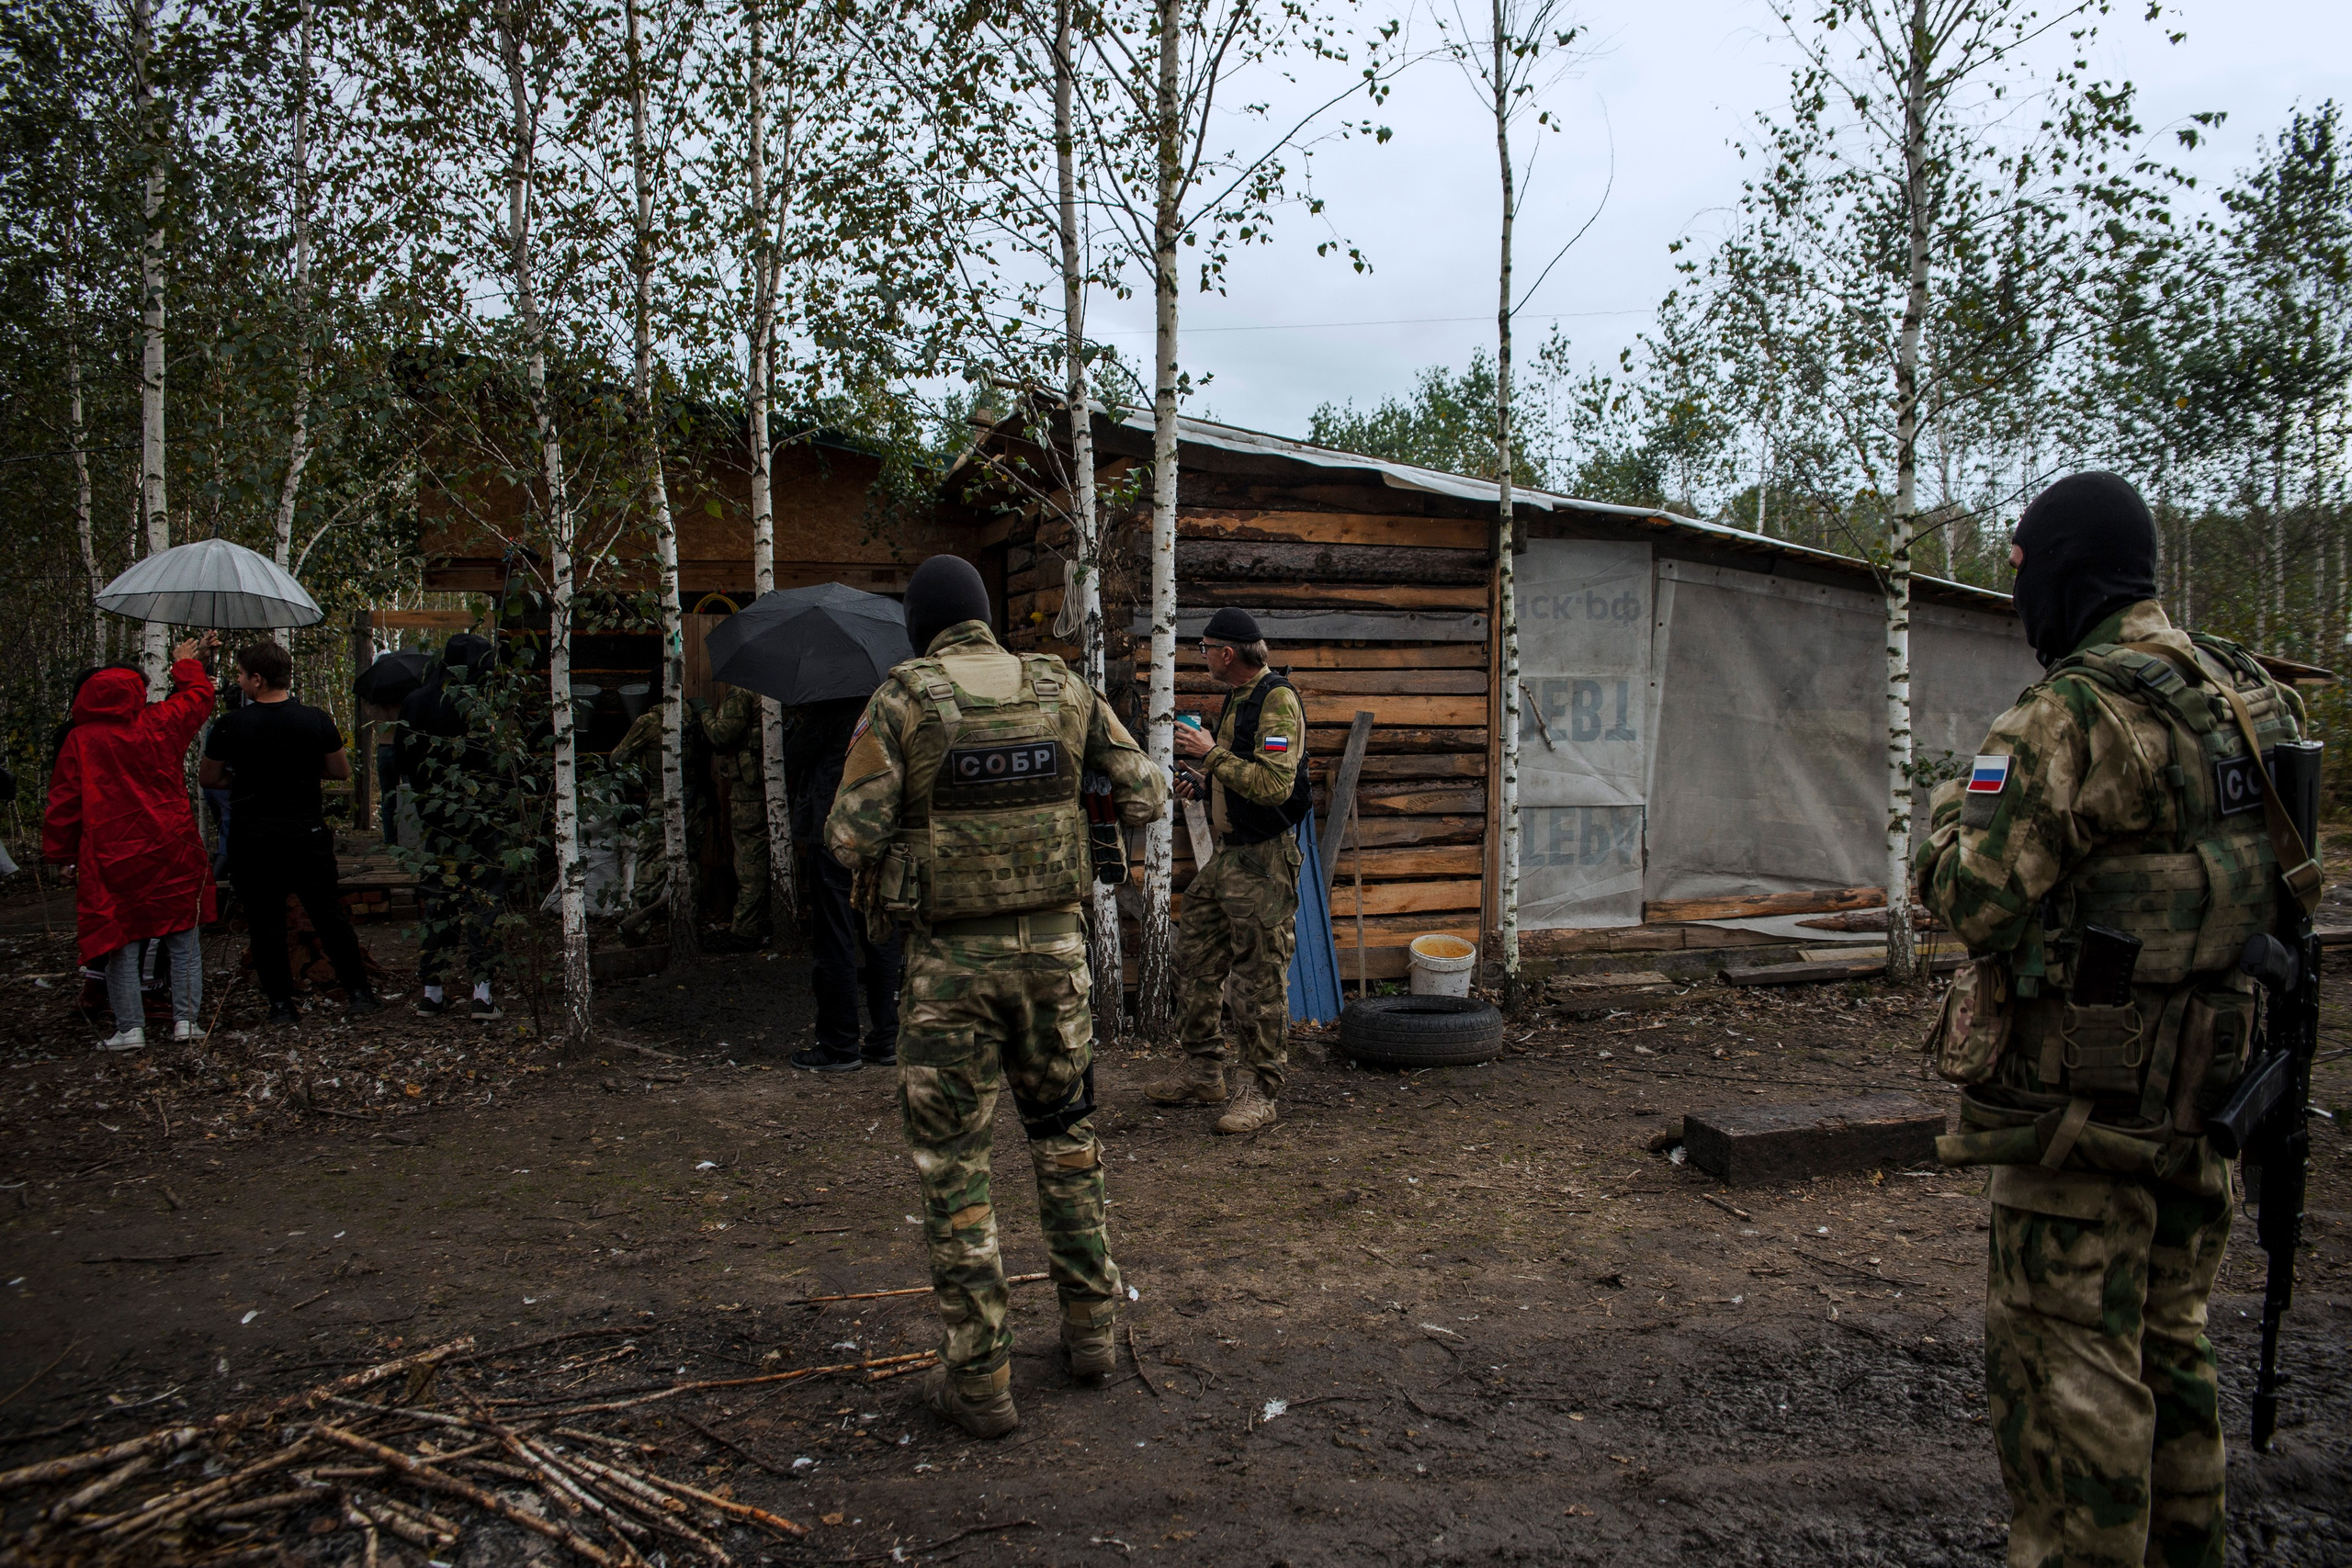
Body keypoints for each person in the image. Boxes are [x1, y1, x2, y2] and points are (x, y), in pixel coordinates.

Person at [1917, 471, 2311, 1568]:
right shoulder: (2247, 694)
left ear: (2064, 576)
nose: (2017, 601)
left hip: (2085, 1116)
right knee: (2167, 1344)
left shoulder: (2069, 716)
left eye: (2021, 575)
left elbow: (1975, 900)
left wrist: (1946, 813)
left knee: (2066, 1372)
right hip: (2210, 1097)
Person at [826, 554, 1166, 1438]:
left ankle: (980, 1380)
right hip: (1056, 961)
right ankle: (1093, 1336)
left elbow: (850, 835)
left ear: (920, 626)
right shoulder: (1062, 689)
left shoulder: (903, 699)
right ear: (983, 614)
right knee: (1067, 1143)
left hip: (951, 974)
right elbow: (1146, 791)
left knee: (956, 1170)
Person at [1146, 607, 1310, 1134]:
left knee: (1260, 977)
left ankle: (1261, 1091)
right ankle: (1203, 1073)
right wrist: (1203, 782)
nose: (1202, 657)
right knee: (1193, 955)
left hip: (1264, 860)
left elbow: (1276, 786)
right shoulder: (1238, 696)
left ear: (1227, 653)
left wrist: (1211, 754)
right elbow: (1244, 776)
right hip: (1230, 856)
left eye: (1204, 649)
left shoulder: (1277, 698)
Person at [42, 636, 220, 1050]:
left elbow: (64, 803)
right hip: (170, 844)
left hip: (111, 851)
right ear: (138, 692)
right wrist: (185, 662)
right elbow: (199, 697)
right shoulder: (161, 722)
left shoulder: (81, 740)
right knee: (183, 935)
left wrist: (63, 854)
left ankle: (130, 1029)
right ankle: (186, 1022)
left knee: (119, 938)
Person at [200, 640, 382, 1025]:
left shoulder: (231, 725)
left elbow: (209, 777)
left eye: (240, 675)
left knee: (264, 921)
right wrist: (299, 773)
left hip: (254, 836)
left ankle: (281, 1005)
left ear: (257, 679)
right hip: (306, 832)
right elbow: (340, 771)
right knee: (328, 913)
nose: (238, 681)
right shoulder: (315, 720)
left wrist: (248, 779)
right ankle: (359, 993)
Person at [786, 694, 901, 1071]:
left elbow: (793, 757)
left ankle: (839, 1043)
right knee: (882, 930)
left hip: (833, 831)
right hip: (881, 829)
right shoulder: (892, 705)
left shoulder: (829, 707)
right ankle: (888, 1036)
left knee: (834, 937)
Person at [397, 634, 507, 1021]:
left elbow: (405, 759)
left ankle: (433, 991)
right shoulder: (479, 705)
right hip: (478, 820)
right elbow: (495, 763)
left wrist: (427, 801)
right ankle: (481, 993)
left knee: (439, 899)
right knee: (483, 901)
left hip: (437, 819)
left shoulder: (416, 701)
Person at [700, 684, 771, 951]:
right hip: (775, 787)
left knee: (750, 858)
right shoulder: (781, 688)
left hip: (749, 791)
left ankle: (746, 929)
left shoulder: (743, 690)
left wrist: (704, 712)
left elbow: (721, 735)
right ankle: (771, 919)